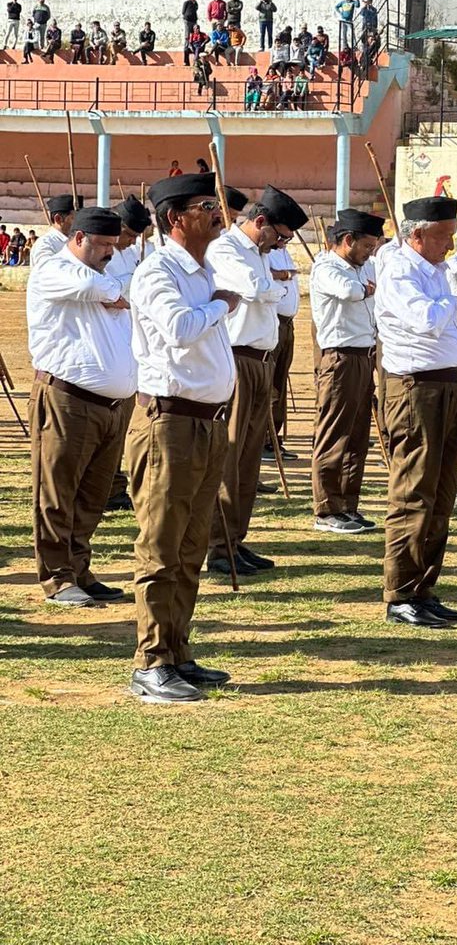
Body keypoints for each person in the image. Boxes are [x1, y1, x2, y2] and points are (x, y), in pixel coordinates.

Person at [127, 171, 239, 702]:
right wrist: (222, 303)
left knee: (191, 546)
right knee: (161, 544)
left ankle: (177, 650)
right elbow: (179, 329)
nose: (216, 212)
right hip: (169, 423)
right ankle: (150, 661)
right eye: (203, 204)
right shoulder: (158, 272)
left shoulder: (201, 269)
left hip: (207, 422)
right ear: (176, 218)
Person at [27, 205, 135, 608]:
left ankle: (78, 566)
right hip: (67, 399)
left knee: (93, 495)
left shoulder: (102, 275)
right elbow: (94, 287)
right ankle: (56, 576)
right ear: (78, 239)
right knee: (57, 492)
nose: (110, 252)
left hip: (112, 405)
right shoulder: (54, 271)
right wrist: (116, 292)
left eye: (113, 244)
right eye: (103, 244)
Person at [375, 195, 457, 627]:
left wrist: (450, 303)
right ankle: (401, 591)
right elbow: (426, 319)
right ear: (416, 235)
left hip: (448, 386)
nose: (448, 246)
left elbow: (442, 317)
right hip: (417, 391)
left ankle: (424, 586)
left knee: (442, 493)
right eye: (442, 237)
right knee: (414, 492)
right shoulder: (398, 269)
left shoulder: (435, 270)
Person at [206, 186, 307, 577]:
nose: (280, 245)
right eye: (279, 236)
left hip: (262, 359)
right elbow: (254, 289)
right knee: (230, 453)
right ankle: (217, 542)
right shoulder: (227, 249)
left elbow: (273, 297)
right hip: (237, 357)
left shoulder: (261, 254)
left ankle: (235, 537)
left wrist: (272, 287)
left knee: (249, 456)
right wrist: (275, 287)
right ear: (260, 223)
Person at [310, 208, 385, 532]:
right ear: (347, 240)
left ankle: (347, 504)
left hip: (364, 355)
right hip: (339, 358)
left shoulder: (364, 266)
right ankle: (326, 508)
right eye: (367, 246)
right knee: (333, 434)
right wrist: (367, 289)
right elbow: (350, 292)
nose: (370, 253)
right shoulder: (326, 267)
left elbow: (373, 288)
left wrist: (370, 287)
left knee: (357, 436)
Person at [105, 194, 153, 512]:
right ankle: (108, 488)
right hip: (110, 347)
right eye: (130, 235)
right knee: (111, 428)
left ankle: (116, 485)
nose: (133, 240)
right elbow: (112, 292)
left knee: (123, 426)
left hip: (130, 343)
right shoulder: (105, 253)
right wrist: (136, 281)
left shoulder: (130, 252)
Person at [264, 215, 301, 464]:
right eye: (284, 236)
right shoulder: (265, 252)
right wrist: (284, 275)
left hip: (287, 323)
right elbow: (265, 276)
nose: (286, 240)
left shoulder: (283, 252)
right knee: (270, 385)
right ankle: (266, 439)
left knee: (280, 381)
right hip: (272, 321)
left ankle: (274, 436)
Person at [30, 195, 80, 269]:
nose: (79, 223)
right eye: (74, 218)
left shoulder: (76, 240)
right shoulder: (45, 244)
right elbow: (48, 272)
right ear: (58, 219)